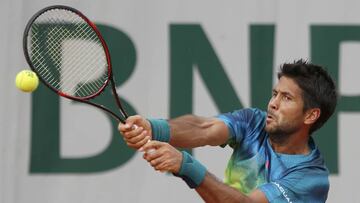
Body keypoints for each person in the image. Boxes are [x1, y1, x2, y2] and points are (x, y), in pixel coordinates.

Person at [118, 59, 337, 203]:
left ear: (310, 115)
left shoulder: (310, 179)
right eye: (275, 94)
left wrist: (185, 166)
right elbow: (204, 128)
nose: (272, 103)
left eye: (286, 98)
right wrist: (154, 128)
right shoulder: (253, 122)